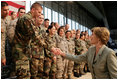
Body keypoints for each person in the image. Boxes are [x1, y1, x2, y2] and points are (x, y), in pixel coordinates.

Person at [12, 2, 59, 79]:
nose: (39, 15)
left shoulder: (29, 19)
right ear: (33, 10)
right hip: (20, 53)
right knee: (23, 76)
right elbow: (36, 37)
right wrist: (51, 48)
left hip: (24, 52)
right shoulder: (26, 19)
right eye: (39, 12)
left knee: (27, 75)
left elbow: (38, 37)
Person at [1, 1, 10, 66]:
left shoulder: (7, 19)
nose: (7, 12)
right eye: (5, 10)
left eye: (8, 9)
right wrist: (2, 56)